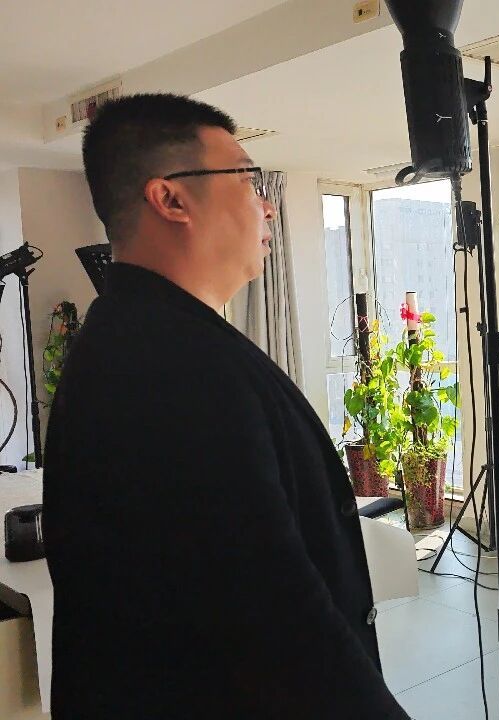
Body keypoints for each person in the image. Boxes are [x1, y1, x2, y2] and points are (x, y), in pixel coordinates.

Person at [42, 94, 409, 719]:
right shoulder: (167, 366)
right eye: (246, 179)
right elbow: (275, 617)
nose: (267, 205)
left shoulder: (144, 338)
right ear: (171, 199)